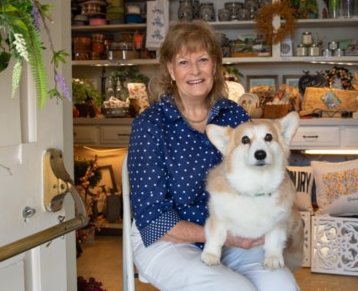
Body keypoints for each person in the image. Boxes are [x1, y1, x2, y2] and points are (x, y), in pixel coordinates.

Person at [127, 20, 300, 291]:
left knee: (282, 287)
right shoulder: (151, 125)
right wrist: (224, 238)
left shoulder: (233, 114)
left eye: (203, 60)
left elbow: (267, 170)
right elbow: (152, 216)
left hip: (235, 233)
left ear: (215, 66)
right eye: (184, 62)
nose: (194, 70)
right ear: (171, 69)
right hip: (168, 240)